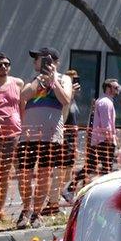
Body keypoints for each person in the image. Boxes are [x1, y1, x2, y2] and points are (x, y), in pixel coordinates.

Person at [16, 47, 72, 229]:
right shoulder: (34, 80)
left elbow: (65, 100)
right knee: (23, 174)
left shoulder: (65, 79)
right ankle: (25, 210)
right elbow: (23, 95)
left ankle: (37, 213)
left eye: (38, 59)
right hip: (28, 136)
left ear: (51, 60)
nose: (34, 62)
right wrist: (40, 80)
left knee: (43, 174)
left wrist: (53, 80)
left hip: (50, 135)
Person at [0, 51, 23, 222]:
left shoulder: (17, 83)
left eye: (6, 64)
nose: (3, 67)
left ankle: (0, 210)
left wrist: (24, 128)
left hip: (13, 134)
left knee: (4, 174)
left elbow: (22, 107)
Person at [45, 69, 81, 215]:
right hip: (63, 137)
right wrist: (70, 93)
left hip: (71, 139)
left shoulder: (73, 100)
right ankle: (51, 204)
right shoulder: (65, 99)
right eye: (73, 79)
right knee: (59, 171)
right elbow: (64, 116)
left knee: (66, 172)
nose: (76, 82)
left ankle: (56, 198)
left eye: (77, 79)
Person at [83, 79, 120, 182]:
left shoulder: (103, 101)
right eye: (115, 88)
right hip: (104, 141)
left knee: (92, 167)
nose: (118, 90)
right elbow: (106, 124)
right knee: (106, 169)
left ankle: (70, 188)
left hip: (99, 140)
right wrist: (110, 141)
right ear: (108, 88)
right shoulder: (106, 102)